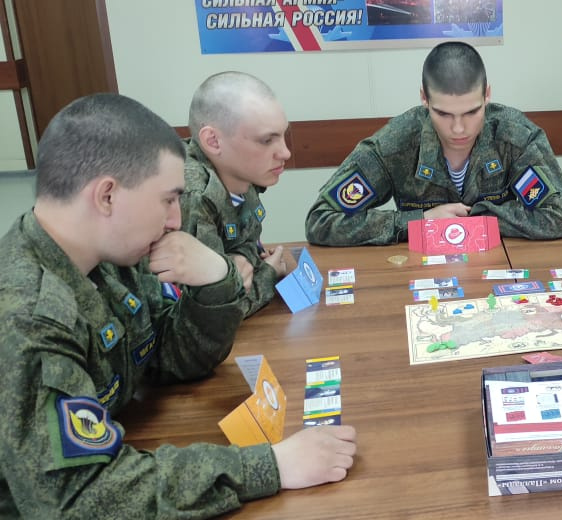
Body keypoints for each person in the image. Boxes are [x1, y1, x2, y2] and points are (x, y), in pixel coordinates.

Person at [0, 93, 357, 518]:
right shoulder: (26, 316)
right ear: (107, 196)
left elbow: (173, 357)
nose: (175, 219)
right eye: (168, 199)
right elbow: (81, 495)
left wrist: (216, 283)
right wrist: (270, 466)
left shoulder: (107, 258)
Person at [305, 41, 562, 246]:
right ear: (424, 98)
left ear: (487, 95)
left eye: (471, 112)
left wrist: (480, 219)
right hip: (420, 277)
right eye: (444, 114)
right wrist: (420, 222)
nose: (459, 128)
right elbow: (321, 221)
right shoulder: (395, 144)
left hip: (497, 270)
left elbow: (561, 217)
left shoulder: (515, 136)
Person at [182, 71, 295, 317]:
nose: (285, 153)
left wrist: (244, 258)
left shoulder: (240, 171)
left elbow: (245, 245)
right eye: (267, 140)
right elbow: (218, 311)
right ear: (213, 141)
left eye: (283, 135)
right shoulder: (192, 195)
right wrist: (267, 274)